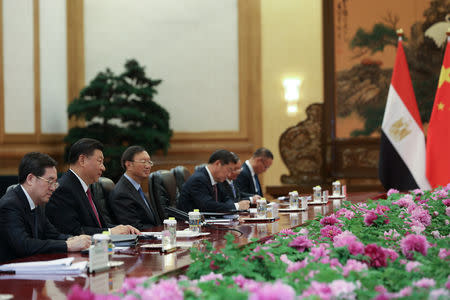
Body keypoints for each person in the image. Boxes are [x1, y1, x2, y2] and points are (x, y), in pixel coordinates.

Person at [0, 152, 91, 263]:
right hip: (10, 274)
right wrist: (67, 245)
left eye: (55, 183)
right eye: (50, 181)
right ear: (30, 179)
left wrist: (73, 239)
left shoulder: (37, 203)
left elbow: (52, 234)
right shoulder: (10, 205)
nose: (53, 188)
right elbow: (24, 245)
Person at [46, 138, 140, 236]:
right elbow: (73, 231)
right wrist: (110, 232)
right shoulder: (63, 189)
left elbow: (98, 226)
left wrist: (123, 229)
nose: (103, 167)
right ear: (82, 160)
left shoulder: (87, 187)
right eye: (100, 161)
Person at [178, 149, 250, 212]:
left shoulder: (216, 179)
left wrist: (234, 211)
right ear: (218, 164)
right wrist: (236, 206)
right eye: (229, 170)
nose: (229, 175)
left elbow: (226, 198)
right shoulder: (198, 179)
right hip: (188, 224)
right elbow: (208, 206)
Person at [110, 145, 160, 230]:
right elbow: (135, 228)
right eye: (143, 162)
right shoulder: (122, 194)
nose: (148, 166)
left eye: (149, 162)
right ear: (129, 165)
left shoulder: (136, 188)